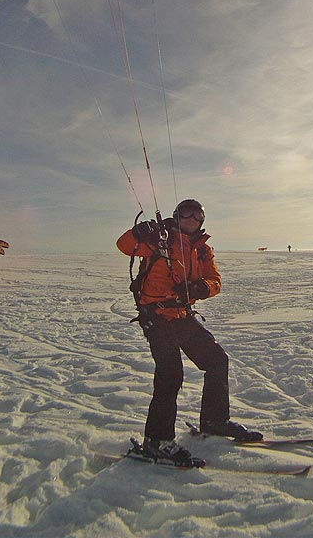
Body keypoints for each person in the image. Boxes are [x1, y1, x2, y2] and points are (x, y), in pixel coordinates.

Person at [116, 198, 262, 464]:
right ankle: (157, 441)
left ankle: (215, 421)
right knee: (170, 373)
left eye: (197, 215)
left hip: (182, 315)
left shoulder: (202, 249)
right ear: (177, 215)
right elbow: (124, 246)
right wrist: (138, 232)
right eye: (187, 213)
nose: (192, 219)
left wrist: (203, 288)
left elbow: (215, 280)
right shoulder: (159, 239)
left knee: (216, 360)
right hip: (157, 317)